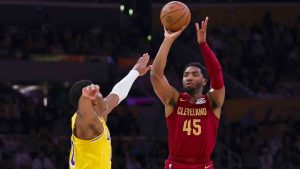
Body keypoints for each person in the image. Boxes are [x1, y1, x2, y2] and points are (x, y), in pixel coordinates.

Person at [150, 17, 225, 169]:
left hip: (203, 165)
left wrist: (203, 45)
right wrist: (168, 40)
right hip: (175, 164)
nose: (189, 77)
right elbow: (155, 74)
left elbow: (217, 73)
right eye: (186, 75)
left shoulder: (212, 102)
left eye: (194, 74)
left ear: (204, 81)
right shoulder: (174, 99)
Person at [68, 54, 151, 169]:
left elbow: (117, 93)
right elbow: (83, 113)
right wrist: (84, 97)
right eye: (97, 93)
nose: (101, 93)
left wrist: (135, 72)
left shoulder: (101, 113)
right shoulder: (85, 123)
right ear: (92, 100)